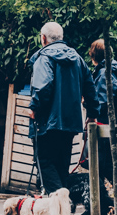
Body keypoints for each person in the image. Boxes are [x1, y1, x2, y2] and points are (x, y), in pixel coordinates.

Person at [26, 21, 97, 199]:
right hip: (70, 122)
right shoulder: (78, 59)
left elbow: (43, 87)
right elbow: (90, 88)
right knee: (61, 164)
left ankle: (60, 205)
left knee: (44, 162)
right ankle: (62, 208)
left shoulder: (44, 58)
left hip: (47, 122)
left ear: (43, 38)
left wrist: (34, 107)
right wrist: (93, 113)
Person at [75, 39, 117, 215]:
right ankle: (103, 207)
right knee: (101, 166)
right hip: (109, 127)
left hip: (104, 127)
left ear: (93, 55)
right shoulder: (111, 71)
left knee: (103, 167)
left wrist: (86, 102)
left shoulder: (105, 73)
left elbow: (103, 102)